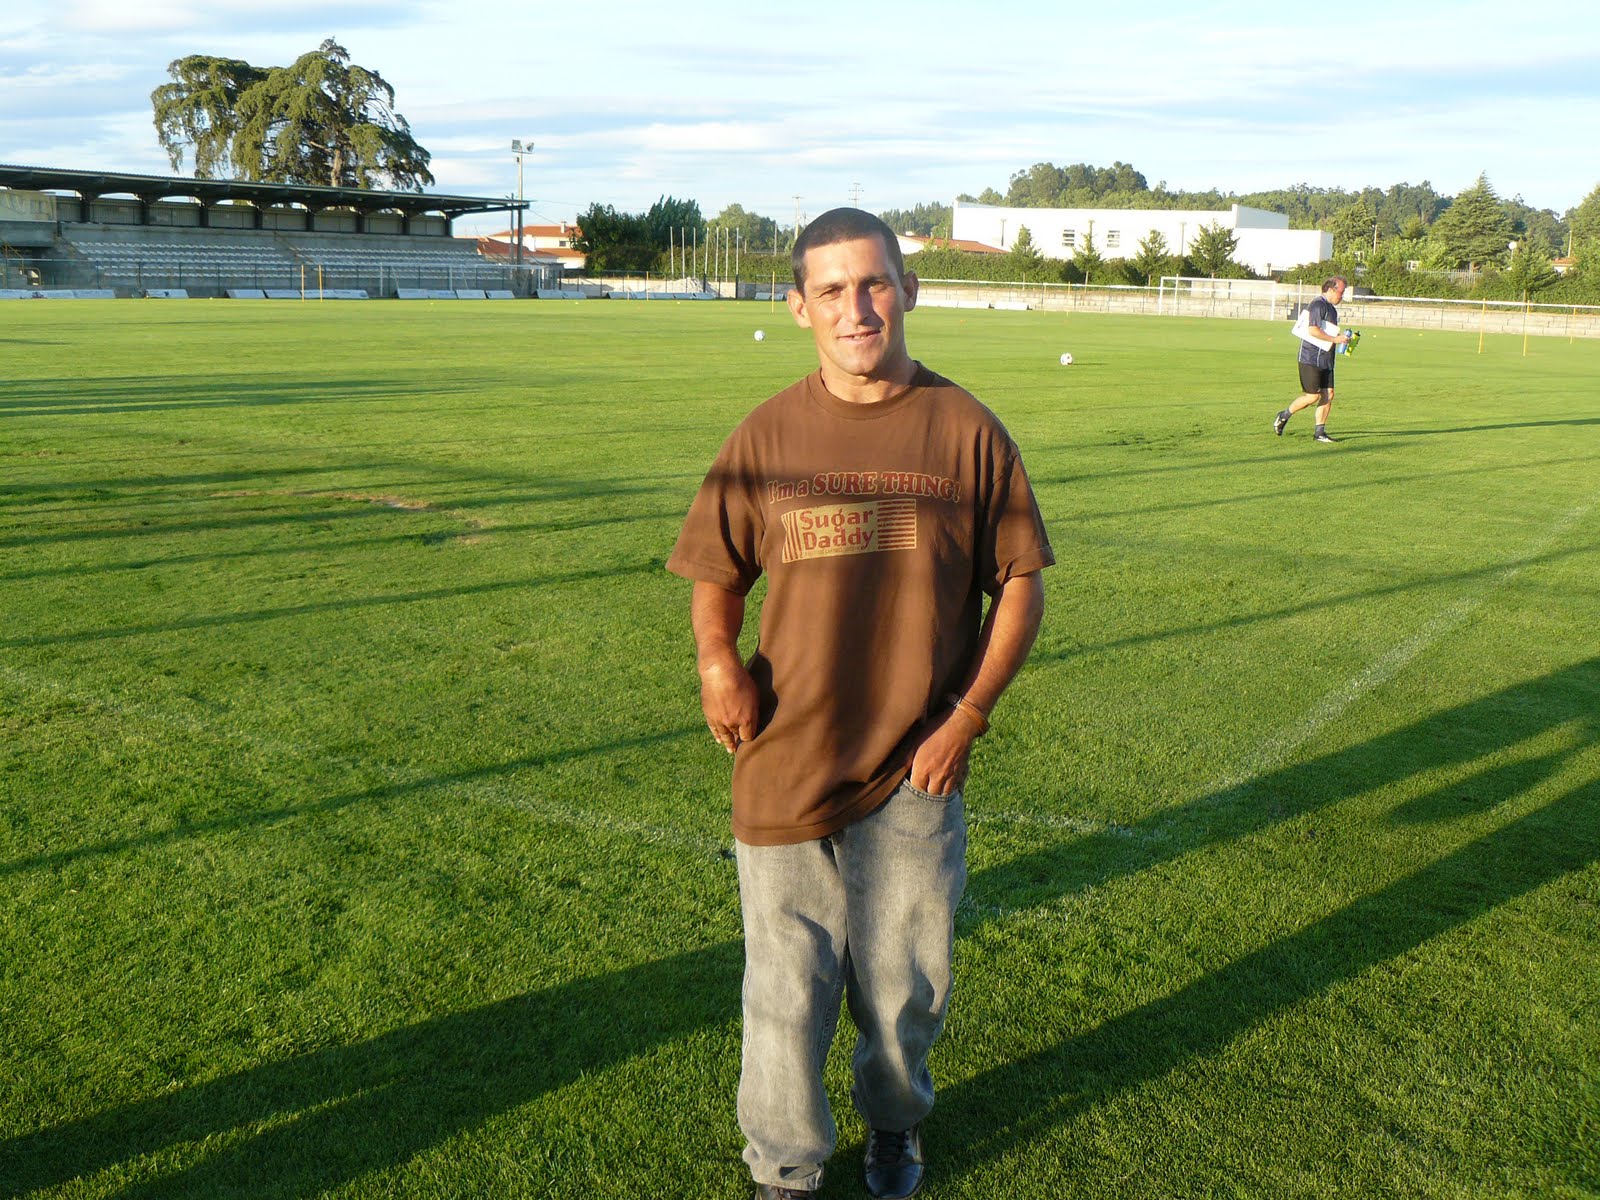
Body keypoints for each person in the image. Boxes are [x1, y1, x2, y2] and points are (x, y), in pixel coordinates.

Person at [666, 208, 1054, 1200]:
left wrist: (966, 717)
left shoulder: (966, 430)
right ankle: (785, 1168)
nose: (857, 308)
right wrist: (715, 662)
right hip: (783, 758)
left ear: (908, 289)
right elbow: (715, 569)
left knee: (902, 990)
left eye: (874, 283)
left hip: (916, 766)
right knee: (784, 990)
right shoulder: (766, 433)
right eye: (831, 290)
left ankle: (894, 1126)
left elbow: (1020, 583)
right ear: (799, 307)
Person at [1275, 276, 1353, 443]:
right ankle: (1284, 415)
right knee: (1312, 396)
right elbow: (1313, 330)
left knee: (1328, 394)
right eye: (1341, 292)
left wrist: (1342, 339)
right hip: (1310, 358)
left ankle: (1320, 432)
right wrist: (1335, 339)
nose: (1342, 296)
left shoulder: (1331, 309)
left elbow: (1327, 331)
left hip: (1326, 358)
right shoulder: (1318, 305)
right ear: (1330, 289)